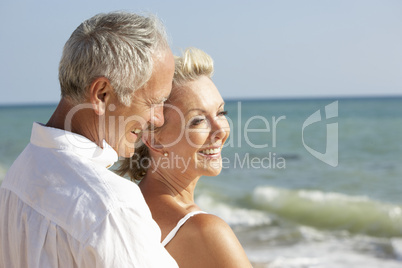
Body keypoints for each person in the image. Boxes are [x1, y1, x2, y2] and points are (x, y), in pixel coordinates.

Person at [0, 12, 178, 267]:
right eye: (154, 102)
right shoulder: (110, 207)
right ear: (102, 94)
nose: (159, 119)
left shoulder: (16, 178)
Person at [118, 48, 253, 268]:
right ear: (154, 141)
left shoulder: (126, 210)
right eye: (198, 121)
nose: (220, 130)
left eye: (221, 113)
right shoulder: (205, 231)